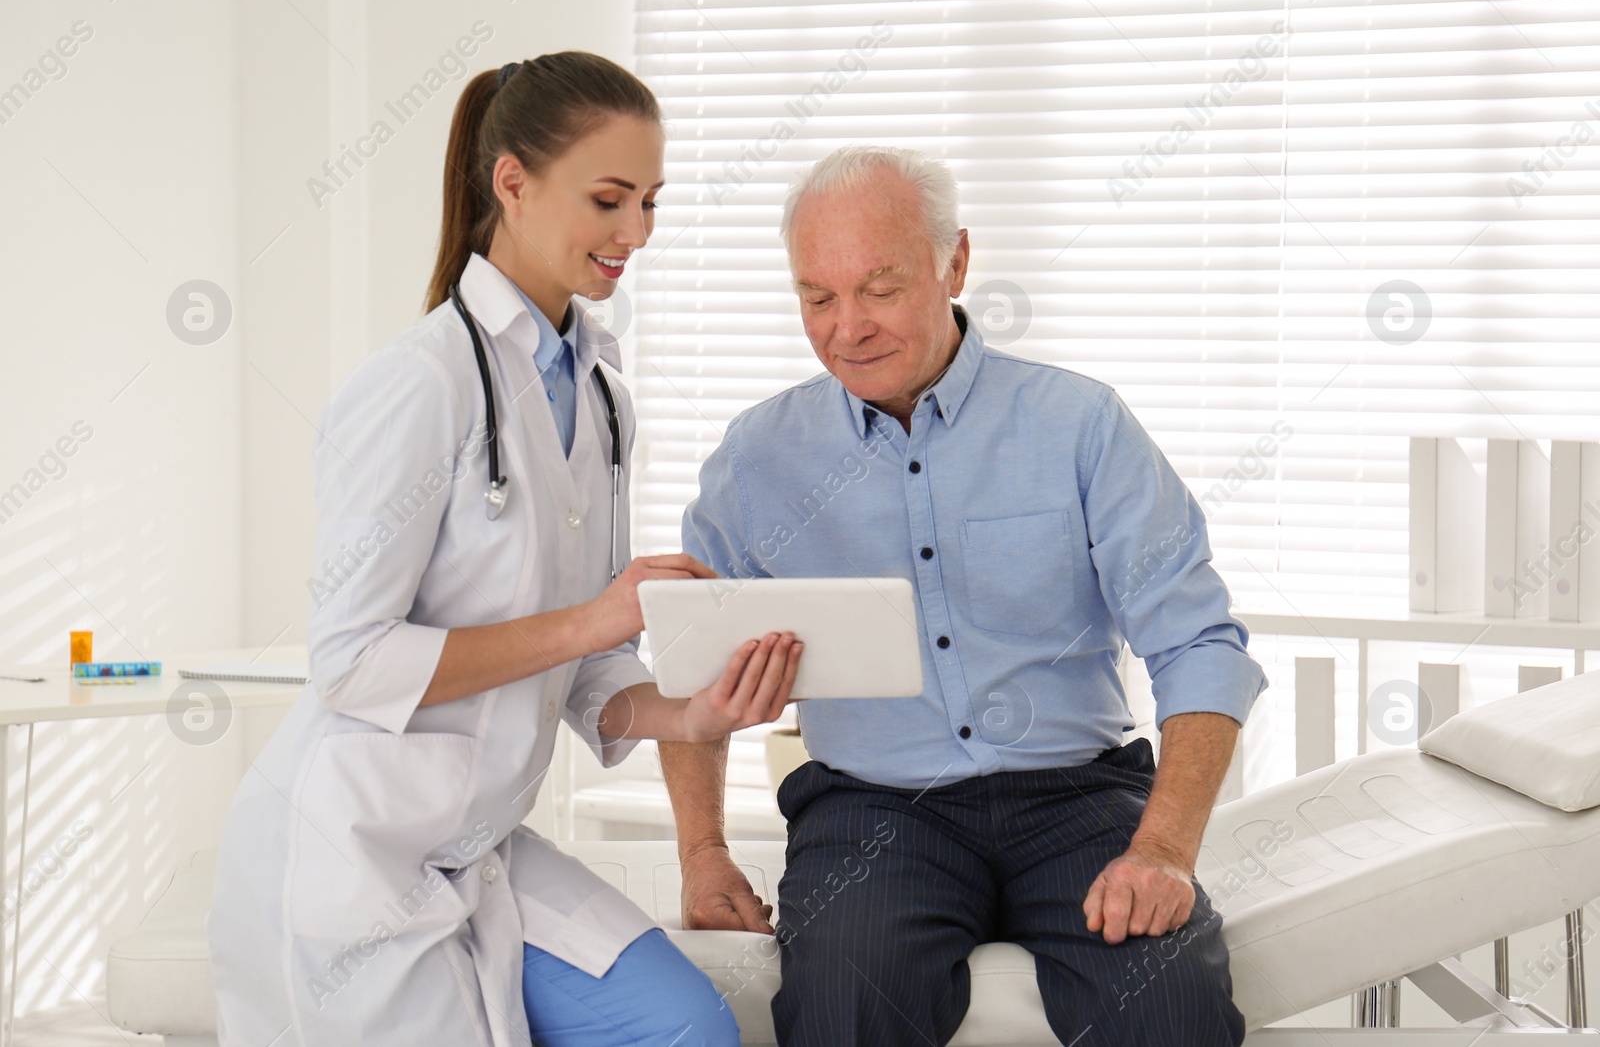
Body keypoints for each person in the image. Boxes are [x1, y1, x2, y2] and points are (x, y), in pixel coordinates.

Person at [206, 52, 802, 1047]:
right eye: (609, 199)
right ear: (512, 183)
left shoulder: (601, 394)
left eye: (650, 202)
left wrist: (691, 710)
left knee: (686, 1026)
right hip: (353, 849)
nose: (637, 234)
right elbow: (350, 661)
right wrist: (595, 616)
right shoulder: (418, 384)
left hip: (480, 846)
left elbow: (590, 668)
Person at [664, 144, 1267, 1046]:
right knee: (841, 1009)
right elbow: (689, 669)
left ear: (955, 263)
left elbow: (1200, 645)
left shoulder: (1078, 425)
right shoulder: (758, 456)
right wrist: (703, 852)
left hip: (1079, 799)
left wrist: (1165, 850)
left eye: (878, 287)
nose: (847, 327)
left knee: (1167, 1005)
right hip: (871, 806)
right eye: (816, 298)